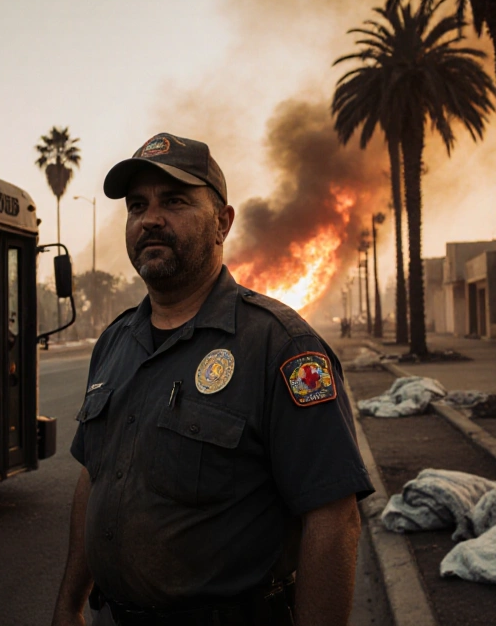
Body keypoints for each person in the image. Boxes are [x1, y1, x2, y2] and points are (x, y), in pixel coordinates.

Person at [51, 133, 373, 626]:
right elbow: (93, 477)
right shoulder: (114, 343)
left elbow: (333, 519)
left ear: (222, 223)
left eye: (175, 200)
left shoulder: (281, 347)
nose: (150, 218)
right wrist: (70, 605)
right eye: (137, 206)